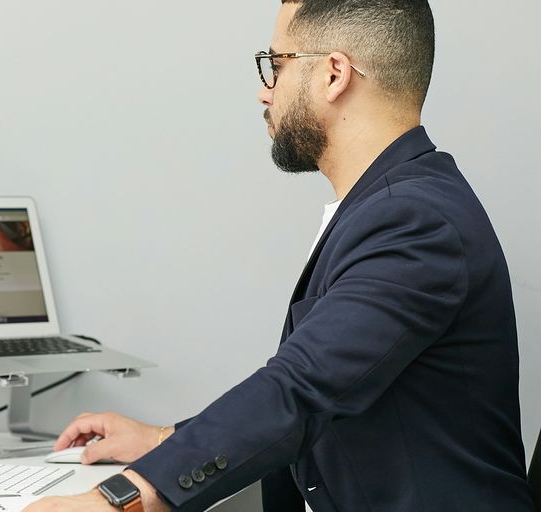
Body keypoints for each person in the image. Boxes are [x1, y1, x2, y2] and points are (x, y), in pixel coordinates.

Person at [26, 1, 534, 511]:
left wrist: (119, 498)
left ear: (333, 75)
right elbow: (329, 387)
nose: (264, 90)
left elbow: (302, 388)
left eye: (277, 64)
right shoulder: (390, 205)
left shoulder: (414, 221)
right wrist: (164, 441)